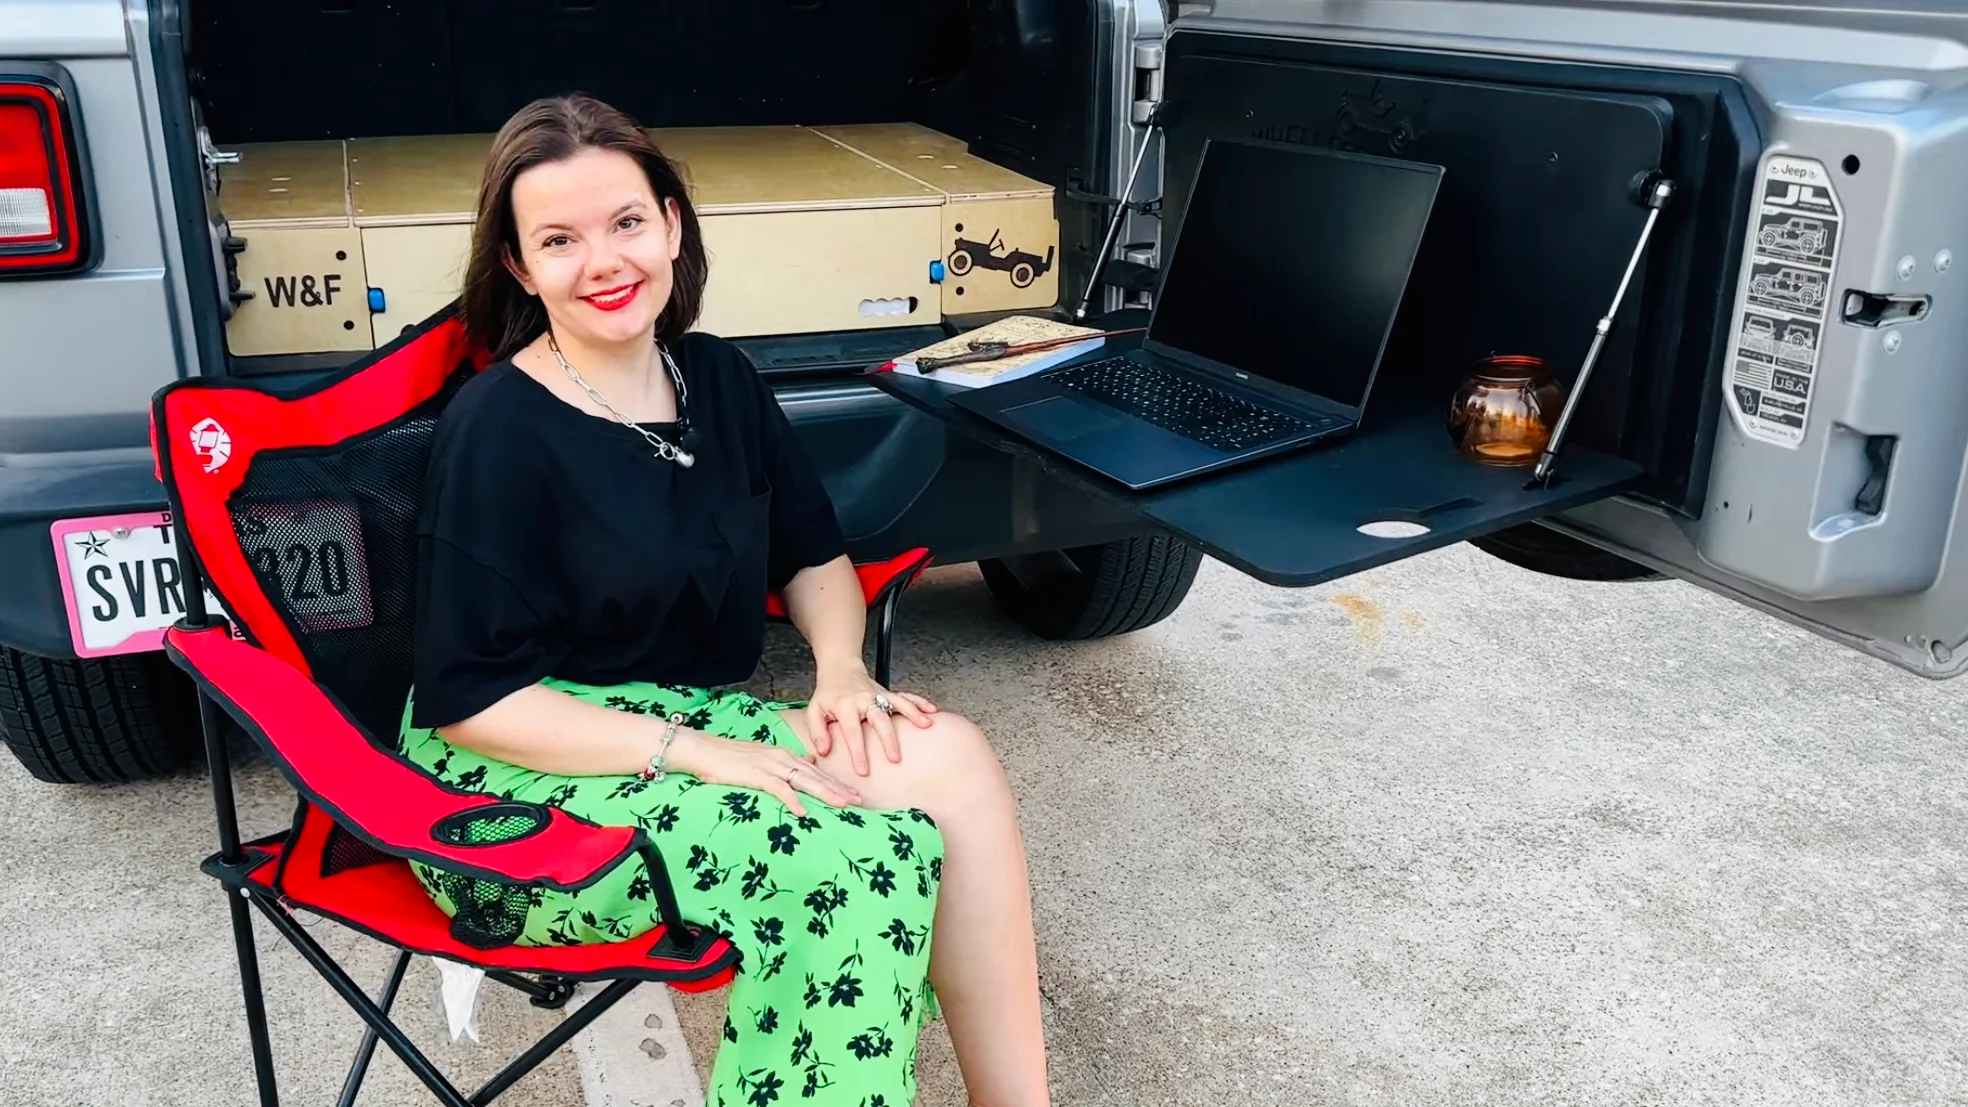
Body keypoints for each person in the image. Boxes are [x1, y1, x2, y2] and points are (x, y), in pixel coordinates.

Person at [395, 93, 1051, 1107]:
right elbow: (473, 699)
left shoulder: (716, 378)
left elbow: (814, 557)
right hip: (508, 777)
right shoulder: (498, 430)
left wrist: (840, 671)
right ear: (522, 268)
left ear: (671, 225)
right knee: (850, 863)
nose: (604, 261)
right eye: (559, 240)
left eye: (626, 223)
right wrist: (701, 755)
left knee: (951, 761)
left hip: (670, 724)